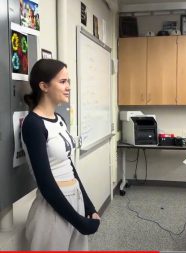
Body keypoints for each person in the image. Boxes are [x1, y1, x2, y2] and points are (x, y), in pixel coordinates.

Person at [21, 59, 100, 250]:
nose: (68, 87)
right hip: (52, 208)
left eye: (69, 81)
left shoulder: (59, 120)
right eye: (63, 82)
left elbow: (69, 167)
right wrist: (80, 223)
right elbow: (46, 184)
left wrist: (89, 207)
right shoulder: (33, 124)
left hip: (75, 199)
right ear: (44, 86)